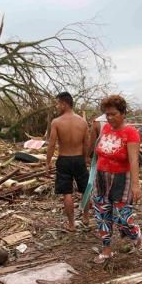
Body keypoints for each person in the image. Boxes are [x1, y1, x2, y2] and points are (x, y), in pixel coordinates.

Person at [93, 95, 142, 263]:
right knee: (102, 214)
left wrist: (136, 185)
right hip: (101, 177)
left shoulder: (131, 133)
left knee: (122, 217)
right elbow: (97, 151)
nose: (109, 117)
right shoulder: (105, 128)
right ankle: (106, 249)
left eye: (113, 114)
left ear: (123, 113)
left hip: (122, 179)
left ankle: (135, 233)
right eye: (107, 114)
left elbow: (134, 160)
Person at [46, 92, 90, 232]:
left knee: (67, 193)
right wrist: (85, 158)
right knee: (85, 190)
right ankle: (86, 217)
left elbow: (51, 144)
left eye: (58, 104)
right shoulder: (82, 122)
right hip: (78, 159)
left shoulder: (57, 122)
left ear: (64, 104)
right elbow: (87, 143)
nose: (57, 107)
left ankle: (71, 224)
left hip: (64, 159)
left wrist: (48, 162)